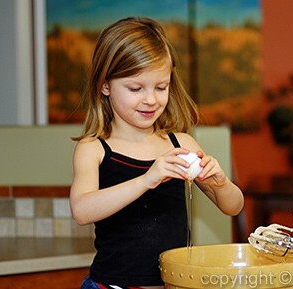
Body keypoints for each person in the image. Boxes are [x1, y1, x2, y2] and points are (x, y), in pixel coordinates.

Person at [70, 17, 244, 289]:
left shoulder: (181, 144)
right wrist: (146, 180)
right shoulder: (94, 148)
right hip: (111, 285)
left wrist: (220, 182)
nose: (151, 99)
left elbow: (233, 206)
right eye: (135, 88)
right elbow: (81, 210)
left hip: (173, 284)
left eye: (161, 87)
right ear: (105, 85)